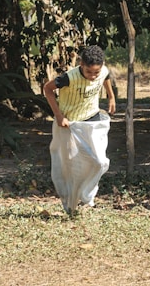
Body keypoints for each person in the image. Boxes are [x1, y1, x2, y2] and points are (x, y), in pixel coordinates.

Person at [43, 45, 116, 215]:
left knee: (100, 161)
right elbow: (47, 89)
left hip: (92, 121)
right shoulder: (69, 78)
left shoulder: (102, 71)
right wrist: (59, 116)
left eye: (95, 73)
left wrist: (111, 96)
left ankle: (87, 196)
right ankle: (71, 205)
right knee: (72, 168)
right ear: (81, 64)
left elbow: (105, 77)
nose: (92, 76)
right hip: (70, 125)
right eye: (89, 72)